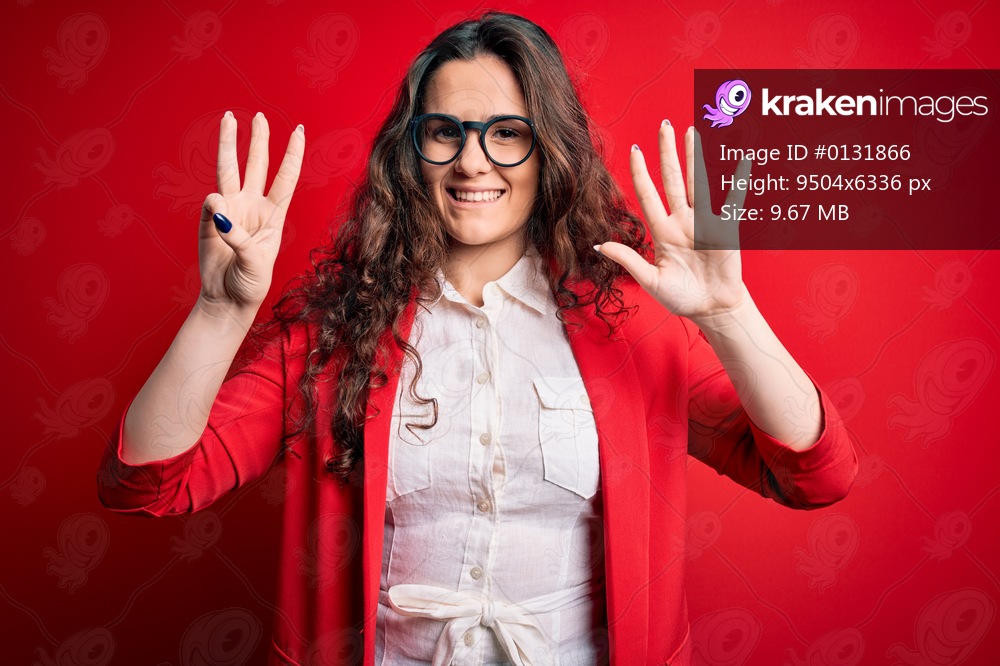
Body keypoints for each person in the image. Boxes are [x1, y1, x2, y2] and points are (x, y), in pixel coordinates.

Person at [98, 11, 857, 666]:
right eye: (445, 133)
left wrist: (728, 317)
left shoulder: (633, 326)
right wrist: (218, 313)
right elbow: (146, 487)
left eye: (506, 134)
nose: (471, 161)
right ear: (410, 148)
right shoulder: (333, 334)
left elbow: (815, 477)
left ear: (549, 150)